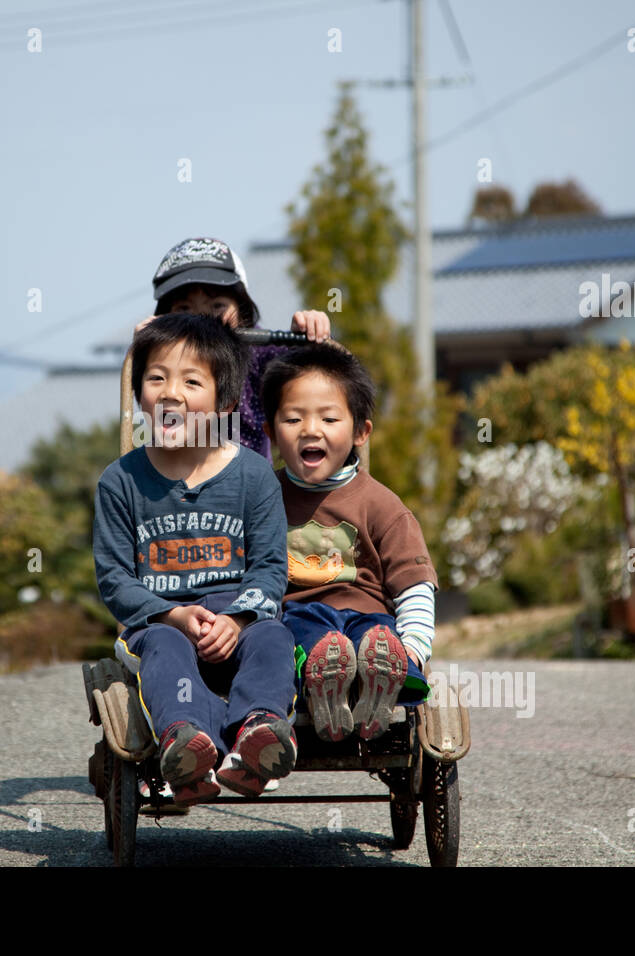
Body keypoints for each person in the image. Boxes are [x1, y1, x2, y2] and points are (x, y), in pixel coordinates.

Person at [93, 313, 298, 805]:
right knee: (165, 645)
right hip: (158, 622)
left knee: (274, 636)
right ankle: (186, 741)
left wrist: (239, 615)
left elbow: (271, 566)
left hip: (238, 618)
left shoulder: (253, 475)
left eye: (191, 381)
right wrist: (173, 614)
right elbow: (115, 578)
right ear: (139, 394)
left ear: (225, 402)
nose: (170, 392)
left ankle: (259, 730)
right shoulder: (120, 482)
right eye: (156, 378)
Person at [260, 343, 439, 742]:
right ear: (271, 431)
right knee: (307, 636)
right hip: (298, 614)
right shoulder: (263, 499)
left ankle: (388, 677)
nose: (310, 429)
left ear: (360, 431)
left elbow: (413, 583)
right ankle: (326, 681)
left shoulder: (382, 504)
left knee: (379, 640)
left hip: (369, 615)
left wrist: (413, 646)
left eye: (328, 417)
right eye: (293, 418)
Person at [138, 236, 332, 461]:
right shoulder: (158, 360)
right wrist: (146, 348)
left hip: (248, 491)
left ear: (243, 312)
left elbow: (305, 382)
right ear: (164, 320)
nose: (204, 321)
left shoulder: (259, 353)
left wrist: (304, 340)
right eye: (184, 309)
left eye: (217, 306)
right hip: (175, 488)